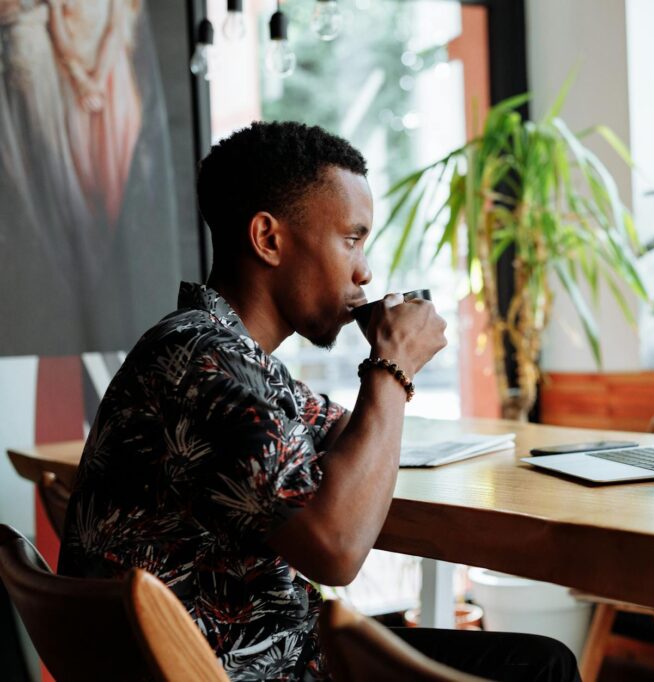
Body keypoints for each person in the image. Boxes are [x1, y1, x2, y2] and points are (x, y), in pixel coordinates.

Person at [57, 121, 579, 682]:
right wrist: (392, 366)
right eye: (351, 239)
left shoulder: (220, 350)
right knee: (539, 666)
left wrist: (386, 378)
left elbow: (336, 428)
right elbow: (336, 550)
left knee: (535, 659)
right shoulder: (204, 365)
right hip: (250, 668)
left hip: (252, 652)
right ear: (269, 239)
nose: (365, 270)